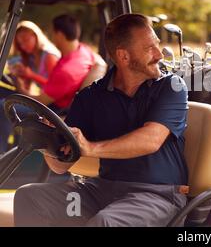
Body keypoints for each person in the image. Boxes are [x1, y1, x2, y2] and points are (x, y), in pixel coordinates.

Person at [14, 13, 189, 227]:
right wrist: (46, 142)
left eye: (157, 45)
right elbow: (60, 166)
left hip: (156, 196)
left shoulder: (172, 87)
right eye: (149, 48)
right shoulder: (90, 97)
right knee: (30, 198)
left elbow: (151, 140)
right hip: (100, 192)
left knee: (106, 222)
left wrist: (91, 148)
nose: (159, 54)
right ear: (123, 57)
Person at [0, 14, 96, 153]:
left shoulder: (66, 70)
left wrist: (21, 86)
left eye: (53, 33)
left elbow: (41, 101)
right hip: (55, 103)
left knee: (3, 106)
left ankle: (2, 153)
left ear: (59, 34)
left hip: (54, 111)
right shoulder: (82, 51)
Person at [0, 20, 60, 98]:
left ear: (36, 36)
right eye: (20, 43)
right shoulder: (30, 56)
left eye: (26, 40)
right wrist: (18, 75)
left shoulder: (49, 55)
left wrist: (31, 75)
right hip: (40, 97)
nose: (23, 46)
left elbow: (56, 87)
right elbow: (25, 89)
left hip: (49, 101)